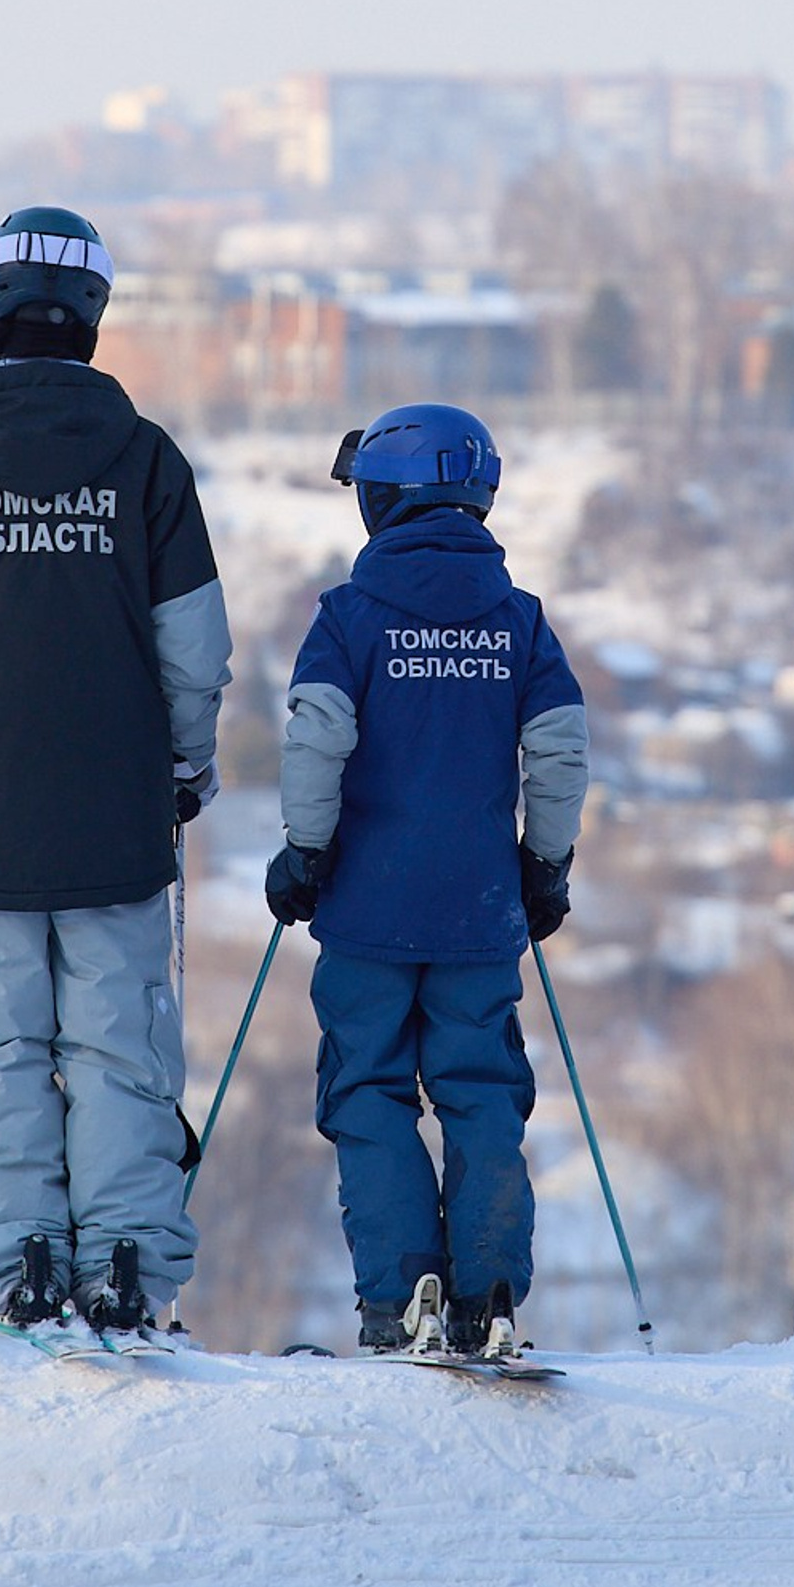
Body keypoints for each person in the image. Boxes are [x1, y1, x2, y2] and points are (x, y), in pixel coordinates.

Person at [0, 205, 230, 1334]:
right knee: (119, 1046)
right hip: (117, 818)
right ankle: (126, 1266)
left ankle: (13, 1264)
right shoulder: (147, 461)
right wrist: (186, 764)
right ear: (93, 316)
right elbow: (194, 644)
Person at [263, 402, 589, 1358]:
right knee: (481, 1093)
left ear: (384, 498)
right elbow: (559, 751)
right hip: (480, 914)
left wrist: (305, 853)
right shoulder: (520, 621)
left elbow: (317, 740)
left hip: (366, 910)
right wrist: (544, 868)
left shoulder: (348, 618)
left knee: (368, 1092)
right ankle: (489, 1296)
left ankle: (401, 1299)